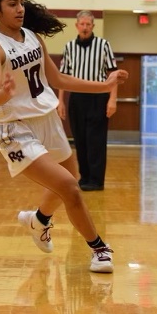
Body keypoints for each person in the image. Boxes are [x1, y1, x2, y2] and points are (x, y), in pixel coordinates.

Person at [0, 0, 128, 273]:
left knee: (71, 177)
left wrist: (105, 85)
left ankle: (39, 220)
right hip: (16, 127)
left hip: (46, 118)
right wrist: (4, 91)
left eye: (21, 2)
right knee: (71, 188)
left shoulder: (33, 36)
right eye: (12, 4)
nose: (20, 9)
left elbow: (58, 80)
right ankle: (99, 249)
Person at [58, 11, 118, 191]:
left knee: (96, 140)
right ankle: (84, 178)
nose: (85, 28)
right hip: (76, 98)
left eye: (88, 25)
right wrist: (60, 101)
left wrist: (112, 99)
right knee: (80, 139)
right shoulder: (69, 47)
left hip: (98, 97)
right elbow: (62, 76)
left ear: (93, 26)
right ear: (77, 26)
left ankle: (96, 180)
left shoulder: (103, 45)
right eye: (82, 24)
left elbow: (113, 74)